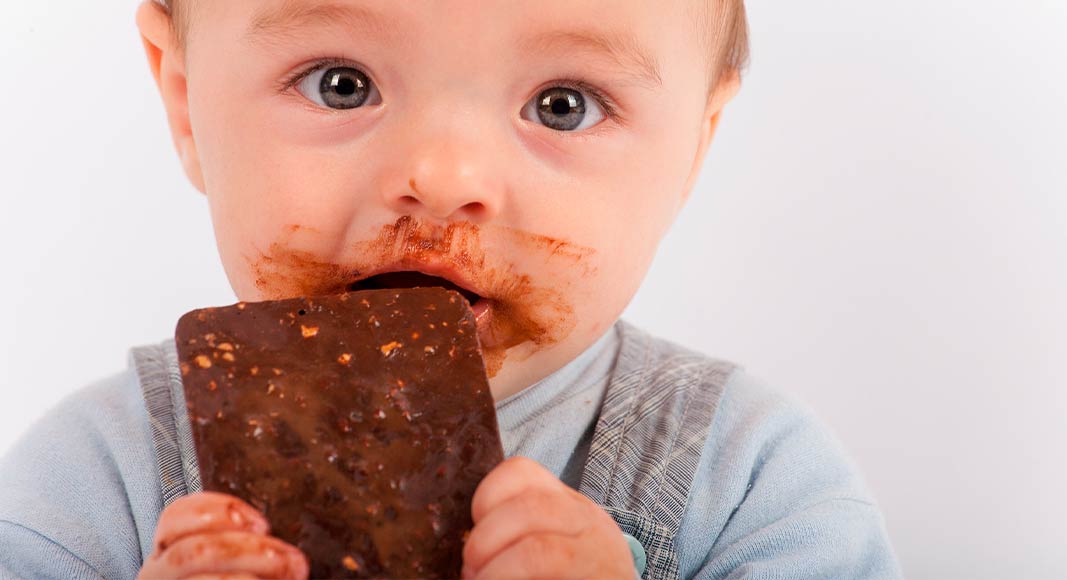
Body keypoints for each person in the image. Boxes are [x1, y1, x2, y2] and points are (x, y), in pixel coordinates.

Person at [0, 1, 902, 578]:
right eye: (340, 84)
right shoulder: (92, 483)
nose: (439, 176)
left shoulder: (748, 482)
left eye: (562, 104)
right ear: (187, 101)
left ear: (693, 148)